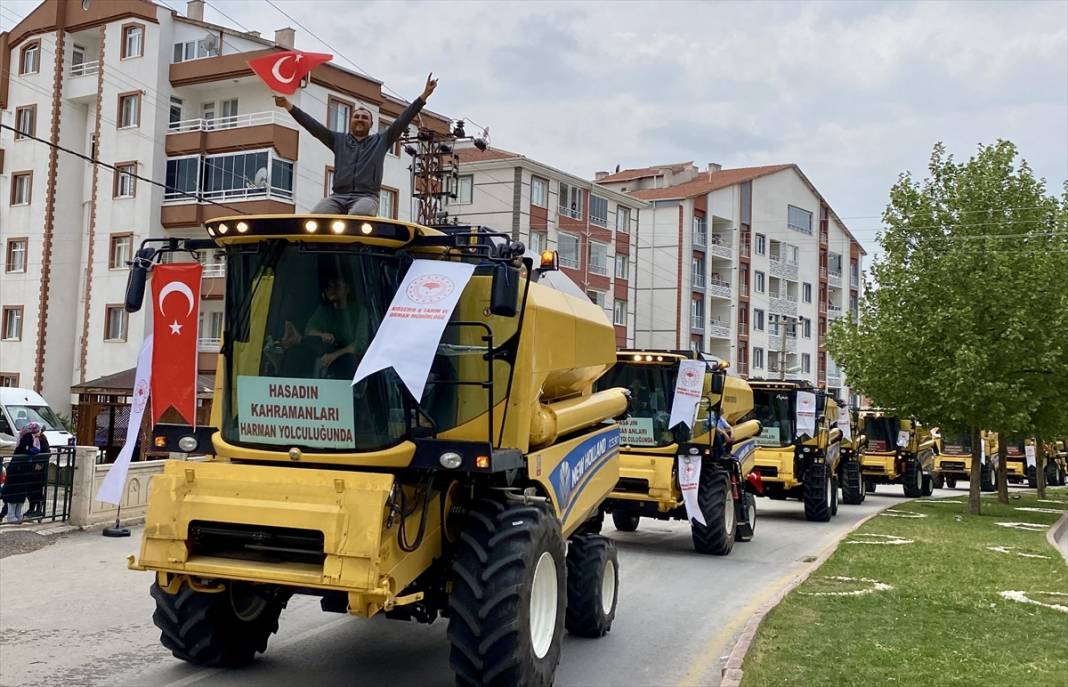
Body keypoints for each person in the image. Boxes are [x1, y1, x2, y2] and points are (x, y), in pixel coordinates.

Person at [274, 73, 439, 215]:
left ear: (371, 124)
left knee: (358, 214)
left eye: (364, 117)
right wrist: (288, 106)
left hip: (366, 197)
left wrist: (424, 95)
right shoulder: (337, 140)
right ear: (350, 121)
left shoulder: (382, 141)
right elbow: (312, 125)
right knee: (317, 215)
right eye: (356, 116)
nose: (360, 119)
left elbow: (404, 119)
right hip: (337, 196)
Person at [15, 422, 49, 518]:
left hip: (39, 469)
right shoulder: (31, 438)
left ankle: (38, 509)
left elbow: (46, 452)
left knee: (37, 490)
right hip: (31, 468)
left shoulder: (42, 439)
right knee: (30, 490)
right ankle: (31, 508)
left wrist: (40, 463)